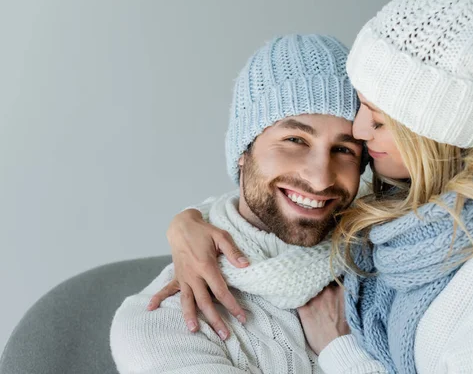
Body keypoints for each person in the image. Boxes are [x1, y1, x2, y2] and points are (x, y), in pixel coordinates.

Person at [151, 0, 473, 372]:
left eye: (377, 119)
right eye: (362, 107)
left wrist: (340, 350)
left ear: (439, 130)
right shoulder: (418, 208)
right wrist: (188, 223)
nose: (361, 134)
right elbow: (271, 203)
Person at [109, 34, 386, 373]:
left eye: (344, 150)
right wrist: (344, 355)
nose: (320, 178)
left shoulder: (389, 254)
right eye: (294, 140)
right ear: (243, 152)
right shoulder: (161, 324)